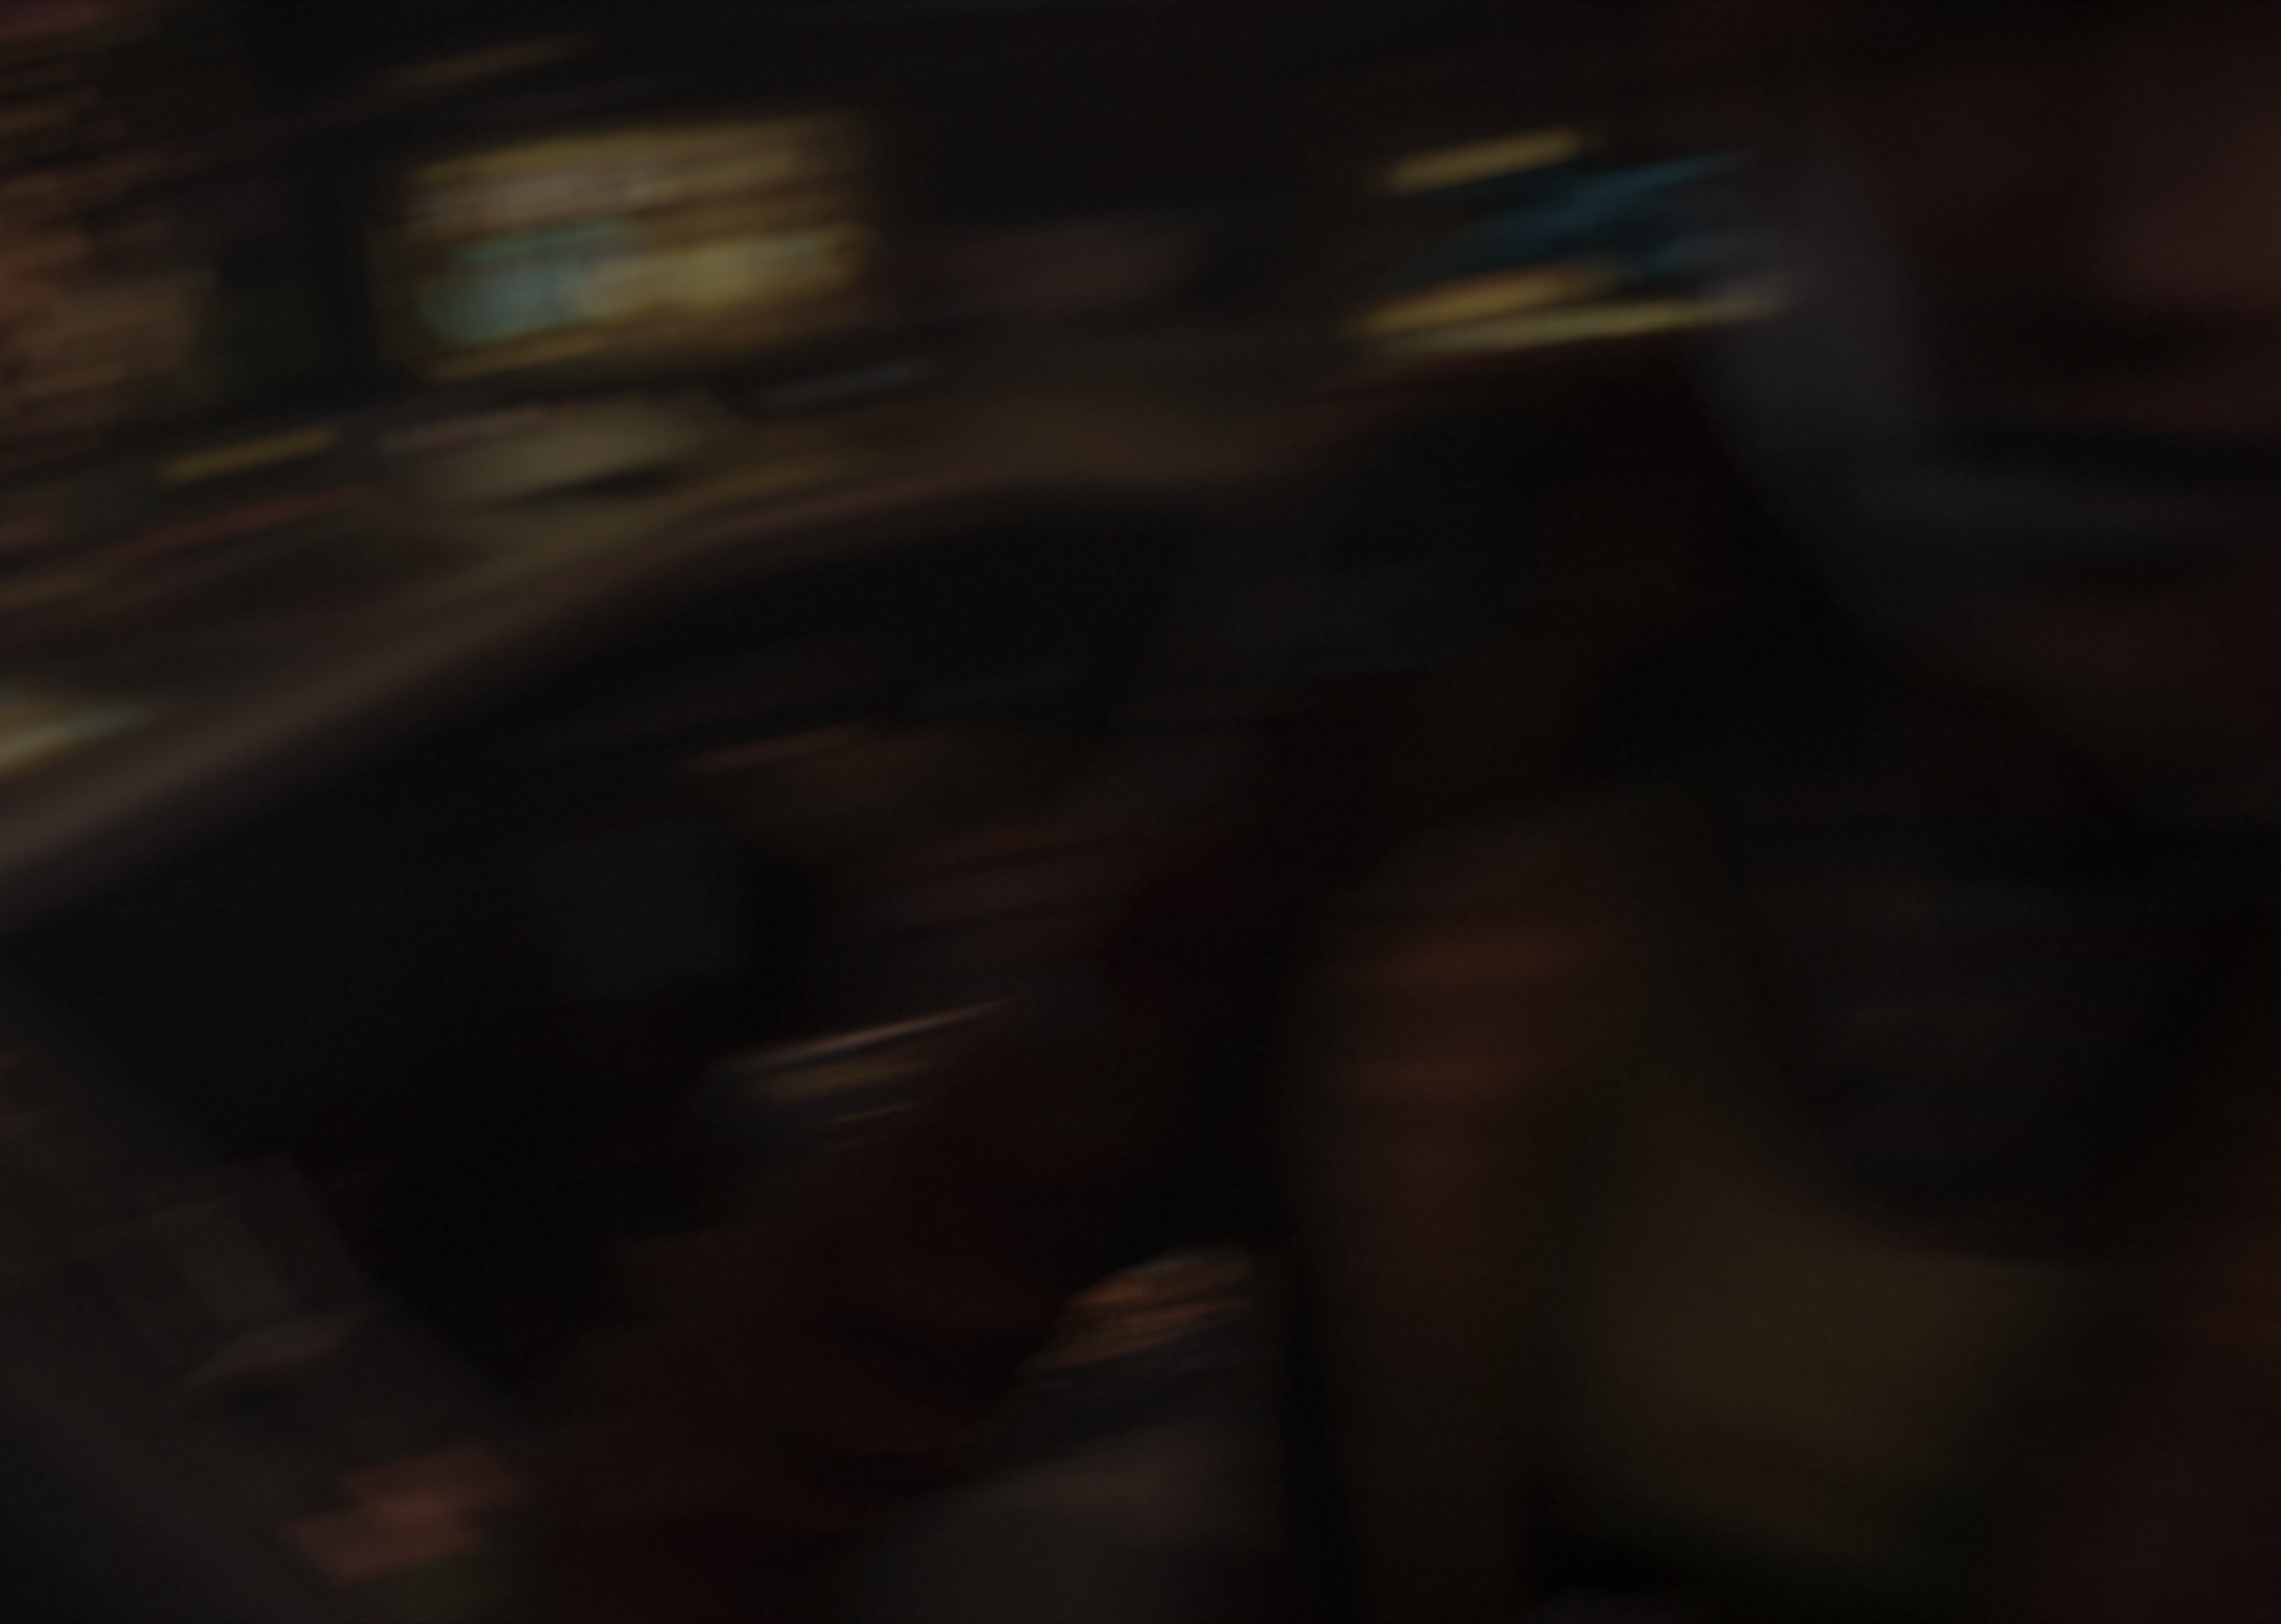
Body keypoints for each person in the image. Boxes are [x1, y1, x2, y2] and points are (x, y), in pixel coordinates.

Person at [528, 3, 2281, 1621]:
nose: (2167, 254)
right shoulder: (1498, 568)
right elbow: (905, 1277)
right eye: (1975, 42)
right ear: (1725, 102)